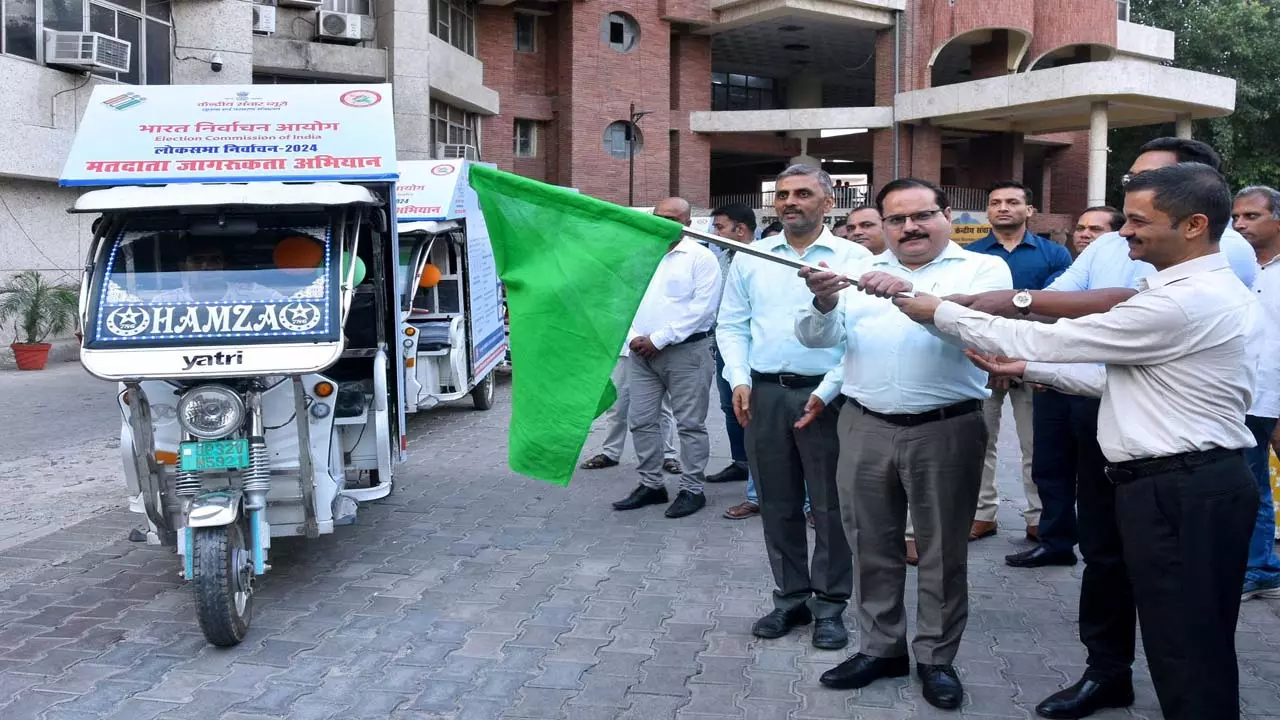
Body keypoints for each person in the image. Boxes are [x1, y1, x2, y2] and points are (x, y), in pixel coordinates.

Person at [897, 162, 1259, 720]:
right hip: (1169, 484)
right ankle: (1112, 678)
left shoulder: (1183, 300)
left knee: (1188, 644)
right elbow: (1123, 377)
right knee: (1175, 630)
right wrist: (1027, 369)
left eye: (1139, 221)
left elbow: (1064, 338)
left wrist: (939, 310)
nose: (1124, 232)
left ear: (1193, 225)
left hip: (1184, 489)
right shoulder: (1176, 290)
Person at [796, 178, 1012, 710]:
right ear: (884, 225)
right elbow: (819, 342)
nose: (910, 227)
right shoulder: (860, 273)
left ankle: (937, 658)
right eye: (896, 219)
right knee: (870, 544)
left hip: (947, 428)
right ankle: (881, 648)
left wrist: (913, 298)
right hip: (864, 424)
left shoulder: (982, 269)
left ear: (948, 216)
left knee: (941, 551)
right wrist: (822, 304)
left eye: (922, 216)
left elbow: (986, 335)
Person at [717, 164, 865, 649]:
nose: (789, 202)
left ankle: (830, 605)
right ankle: (791, 599)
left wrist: (829, 389)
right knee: (777, 504)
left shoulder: (854, 258)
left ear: (828, 201)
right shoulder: (751, 257)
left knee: (829, 505)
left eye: (802, 193)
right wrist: (738, 379)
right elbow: (731, 325)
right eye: (782, 195)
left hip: (830, 396)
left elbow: (862, 337)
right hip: (765, 395)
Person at [964, 181, 1072, 542]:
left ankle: (1038, 517)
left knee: (1036, 444)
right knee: (981, 441)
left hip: (1035, 358)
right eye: (995, 202)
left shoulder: (1054, 255)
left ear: (1030, 210)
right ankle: (982, 513)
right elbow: (967, 311)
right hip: (983, 360)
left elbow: (1056, 309)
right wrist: (993, 352)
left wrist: (1018, 352)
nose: (1003, 208)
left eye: (1012, 202)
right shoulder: (971, 255)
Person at [611, 197, 721, 519]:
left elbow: (703, 310)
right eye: (658, 216)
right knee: (642, 420)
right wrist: (633, 338)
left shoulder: (701, 258)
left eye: (672, 218)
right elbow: (623, 299)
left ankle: (692, 489)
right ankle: (651, 484)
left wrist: (658, 339)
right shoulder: (640, 255)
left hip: (687, 354)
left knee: (690, 425)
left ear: (687, 223)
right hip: (641, 354)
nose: (663, 222)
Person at [1232, 185, 1280, 600]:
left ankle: (1260, 564)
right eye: (1236, 217)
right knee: (1252, 484)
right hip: (1241, 394)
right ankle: (1261, 566)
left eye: (1251, 216)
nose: (1240, 224)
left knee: (1252, 484)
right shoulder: (1240, 268)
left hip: (1270, 397)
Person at [707, 203, 756, 486]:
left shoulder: (766, 257)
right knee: (729, 407)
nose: (715, 233)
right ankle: (741, 462)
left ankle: (761, 471)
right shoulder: (723, 257)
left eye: (720, 227)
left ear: (740, 229)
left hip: (754, 348)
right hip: (724, 346)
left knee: (754, 408)